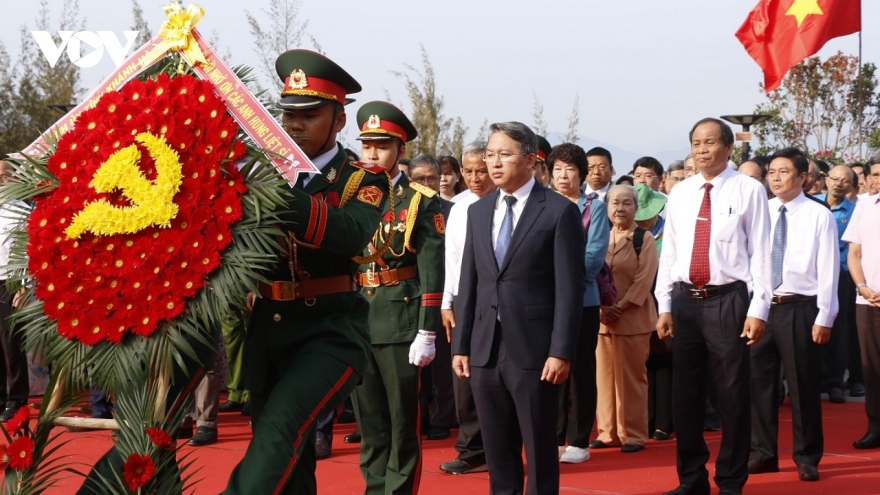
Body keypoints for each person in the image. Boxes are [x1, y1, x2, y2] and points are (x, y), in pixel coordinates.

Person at [222, 49, 390, 495]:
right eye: (287, 114)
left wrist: (276, 184)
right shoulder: (259, 171)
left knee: (279, 430)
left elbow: (349, 234)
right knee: (287, 463)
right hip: (266, 331)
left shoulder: (362, 178)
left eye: (310, 115)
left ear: (338, 120)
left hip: (329, 332)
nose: (293, 125)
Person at [452, 122, 585, 495]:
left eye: (504, 154)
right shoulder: (477, 212)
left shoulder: (558, 211)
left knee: (539, 448)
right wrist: (461, 344)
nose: (494, 163)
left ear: (530, 159)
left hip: (534, 350)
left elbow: (569, 289)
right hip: (484, 347)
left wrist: (560, 351)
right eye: (490, 154)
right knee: (497, 449)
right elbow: (470, 283)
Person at [655, 117, 771, 495]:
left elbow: (762, 254)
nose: (702, 150)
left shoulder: (749, 190)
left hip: (729, 301)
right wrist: (665, 304)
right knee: (685, 397)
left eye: (709, 142)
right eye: (696, 143)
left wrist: (759, 310)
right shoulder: (682, 192)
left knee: (732, 395)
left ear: (728, 147)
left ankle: (731, 480)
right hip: (686, 301)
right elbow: (669, 250)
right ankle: (691, 479)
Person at [351, 101, 444, 495]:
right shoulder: (348, 194)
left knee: (402, 422)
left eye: (382, 145)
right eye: (367, 145)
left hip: (401, 320)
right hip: (357, 320)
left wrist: (428, 330)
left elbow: (432, 268)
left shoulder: (419, 200)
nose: (373, 153)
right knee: (370, 425)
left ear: (400, 150)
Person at [749, 147, 839, 482]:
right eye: (771, 171)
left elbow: (828, 269)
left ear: (803, 177)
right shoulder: (761, 212)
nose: (775, 177)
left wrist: (825, 316)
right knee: (759, 384)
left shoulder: (819, 215)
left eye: (783, 171)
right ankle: (762, 453)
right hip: (761, 308)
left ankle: (807, 456)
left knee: (802, 385)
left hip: (801, 307)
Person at [548, 143, 610, 464]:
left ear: (581, 174)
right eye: (557, 169)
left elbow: (594, 255)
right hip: (548, 301)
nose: (563, 175)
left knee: (581, 370)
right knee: (551, 367)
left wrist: (560, 278)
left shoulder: (594, 208)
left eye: (570, 169)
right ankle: (555, 436)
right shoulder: (541, 205)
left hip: (582, 300)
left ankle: (579, 440)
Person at [439, 140, 494, 475]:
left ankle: (497, 446)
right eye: (469, 171)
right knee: (463, 375)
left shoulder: (505, 204)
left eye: (482, 171)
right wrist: (447, 302)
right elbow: (453, 259)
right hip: (462, 298)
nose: (475, 178)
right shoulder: (458, 207)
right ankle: (471, 449)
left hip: (497, 300)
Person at [590, 185, 659, 454]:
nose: (620, 208)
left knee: (632, 379)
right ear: (606, 208)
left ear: (636, 208)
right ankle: (608, 433)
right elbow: (589, 274)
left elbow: (644, 281)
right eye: (615, 203)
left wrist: (619, 306)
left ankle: (634, 435)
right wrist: (602, 309)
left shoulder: (645, 238)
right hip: (602, 321)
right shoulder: (598, 239)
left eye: (627, 203)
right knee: (604, 379)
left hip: (633, 319)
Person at [409, 154, 456, 441]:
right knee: (414, 363)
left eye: (431, 178)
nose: (426, 184)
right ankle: (419, 416)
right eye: (419, 179)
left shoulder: (453, 211)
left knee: (442, 362)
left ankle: (443, 416)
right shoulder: (401, 209)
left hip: (443, 294)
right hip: (408, 295)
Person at [843, 155, 880, 451]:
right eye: (875, 174)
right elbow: (853, 253)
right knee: (872, 368)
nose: (878, 180)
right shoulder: (865, 205)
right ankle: (876, 427)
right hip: (868, 300)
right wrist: (862, 286)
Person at [816, 165, 859, 404]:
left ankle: (835, 382)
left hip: (840, 276)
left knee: (838, 330)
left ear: (852, 185)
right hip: (812, 277)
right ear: (826, 179)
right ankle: (815, 379)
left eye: (845, 180)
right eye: (835, 179)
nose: (839, 183)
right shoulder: (813, 204)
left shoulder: (855, 211)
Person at [0, 157, 30, 422]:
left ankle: (16, 399)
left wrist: (23, 287)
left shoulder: (22, 211)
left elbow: (28, 252)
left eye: (4, 175)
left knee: (11, 344)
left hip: (11, 283)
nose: (0, 181)